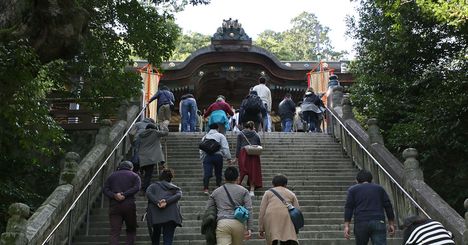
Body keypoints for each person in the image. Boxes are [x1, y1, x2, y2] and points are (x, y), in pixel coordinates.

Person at [344, 169, 396, 245]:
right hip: (378, 221)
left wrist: (347, 226)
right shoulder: (379, 189)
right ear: (371, 179)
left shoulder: (353, 190)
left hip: (361, 222)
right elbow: (388, 206)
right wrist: (391, 223)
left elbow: (349, 207)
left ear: (357, 180)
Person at [206, 166, 253, 245]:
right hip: (239, 223)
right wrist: (249, 228)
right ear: (237, 178)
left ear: (225, 178)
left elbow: (208, 208)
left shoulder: (216, 192)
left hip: (223, 223)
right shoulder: (244, 191)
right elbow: (249, 209)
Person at [103, 161, 141, 245]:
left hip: (114, 206)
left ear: (119, 167)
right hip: (129, 206)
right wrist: (125, 194)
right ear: (131, 168)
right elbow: (137, 187)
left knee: (115, 231)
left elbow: (105, 189)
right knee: (131, 230)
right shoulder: (135, 176)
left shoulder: (112, 176)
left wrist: (114, 195)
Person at [258, 174, 300, 245]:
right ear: (285, 184)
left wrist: (261, 228)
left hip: (271, 217)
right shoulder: (291, 193)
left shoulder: (268, 193)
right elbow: (297, 211)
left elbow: (262, 211)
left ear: (273, 184)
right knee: (286, 237)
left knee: (272, 238)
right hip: (286, 217)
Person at [146, 168, 182, 245]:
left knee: (156, 235)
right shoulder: (175, 188)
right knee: (168, 239)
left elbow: (148, 193)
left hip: (156, 215)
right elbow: (179, 195)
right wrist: (166, 201)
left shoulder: (153, 186)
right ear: (171, 177)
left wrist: (157, 202)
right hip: (171, 215)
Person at [199, 123, 232, 194]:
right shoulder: (220, 136)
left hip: (207, 156)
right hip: (218, 156)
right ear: (218, 128)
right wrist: (228, 158)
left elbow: (201, 149)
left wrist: (202, 158)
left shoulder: (205, 137)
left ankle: (206, 188)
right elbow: (225, 147)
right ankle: (218, 186)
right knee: (218, 172)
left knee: (207, 172)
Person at [137, 123, 168, 192]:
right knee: (148, 174)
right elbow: (166, 133)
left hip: (142, 157)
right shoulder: (155, 132)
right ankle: (144, 189)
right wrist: (163, 126)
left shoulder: (141, 134)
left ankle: (138, 183)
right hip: (151, 158)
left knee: (142, 172)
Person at [235, 121, 262, 196]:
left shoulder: (241, 134)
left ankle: (237, 187)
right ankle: (252, 190)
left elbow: (238, 146)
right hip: (254, 154)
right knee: (253, 172)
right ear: (252, 127)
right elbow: (259, 144)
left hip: (243, 154)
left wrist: (236, 157)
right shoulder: (256, 135)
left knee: (242, 171)